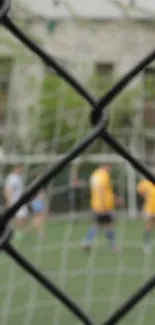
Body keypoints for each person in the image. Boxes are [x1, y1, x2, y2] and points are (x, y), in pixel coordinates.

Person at [82, 164, 122, 253]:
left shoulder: (94, 174)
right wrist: (104, 203)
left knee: (98, 225)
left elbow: (105, 190)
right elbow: (102, 189)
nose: (110, 169)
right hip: (104, 205)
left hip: (96, 204)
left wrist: (115, 199)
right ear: (105, 166)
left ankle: (87, 242)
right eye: (110, 167)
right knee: (109, 225)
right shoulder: (103, 175)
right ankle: (113, 246)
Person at [3, 165, 29, 242]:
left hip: (20, 201)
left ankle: (17, 233)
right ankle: (16, 234)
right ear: (17, 168)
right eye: (20, 169)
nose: (22, 170)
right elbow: (7, 190)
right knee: (18, 218)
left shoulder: (18, 177)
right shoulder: (12, 178)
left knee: (23, 217)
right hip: (14, 202)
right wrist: (9, 201)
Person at [137, 178, 155, 254]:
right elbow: (139, 189)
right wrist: (145, 196)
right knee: (149, 226)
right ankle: (146, 244)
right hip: (150, 208)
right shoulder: (147, 181)